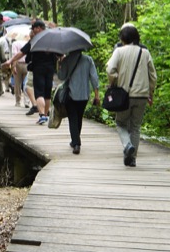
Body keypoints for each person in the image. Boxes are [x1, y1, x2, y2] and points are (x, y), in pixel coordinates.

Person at [106, 24, 157, 167]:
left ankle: (127, 145)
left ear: (122, 38)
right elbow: (153, 76)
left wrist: (115, 80)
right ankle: (132, 159)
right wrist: (150, 93)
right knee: (136, 126)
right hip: (142, 95)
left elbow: (110, 69)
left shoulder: (119, 51)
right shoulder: (145, 52)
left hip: (125, 95)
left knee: (120, 123)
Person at [2, 20, 58, 125]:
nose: (33, 30)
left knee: (39, 93)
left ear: (38, 28)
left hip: (38, 68)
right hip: (50, 69)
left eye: (34, 28)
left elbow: (22, 52)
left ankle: (42, 116)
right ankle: (46, 115)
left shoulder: (35, 40)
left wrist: (10, 60)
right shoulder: (51, 39)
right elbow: (59, 53)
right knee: (47, 94)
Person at [57, 50, 100, 155]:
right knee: (79, 117)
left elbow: (61, 77)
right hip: (84, 95)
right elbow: (94, 78)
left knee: (73, 118)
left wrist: (59, 64)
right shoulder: (88, 60)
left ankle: (76, 143)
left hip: (71, 94)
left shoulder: (66, 60)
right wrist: (97, 95)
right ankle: (75, 141)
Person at [10, 37, 28, 107]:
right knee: (27, 84)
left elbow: (14, 55)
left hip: (18, 64)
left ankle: (18, 101)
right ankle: (27, 101)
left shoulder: (15, 43)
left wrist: (13, 66)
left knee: (17, 84)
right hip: (26, 64)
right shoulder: (27, 43)